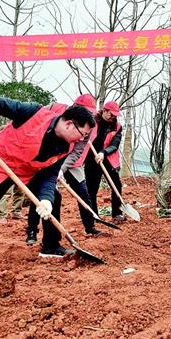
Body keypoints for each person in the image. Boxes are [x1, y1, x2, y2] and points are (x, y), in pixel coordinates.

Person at [0, 96, 95, 266]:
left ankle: (50, 246)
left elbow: (50, 174)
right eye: (82, 134)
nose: (81, 140)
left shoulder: (66, 146)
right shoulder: (33, 112)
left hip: (27, 171)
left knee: (54, 197)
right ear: (69, 124)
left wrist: (45, 199)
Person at [25, 94, 103, 245]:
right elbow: (37, 120)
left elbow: (78, 150)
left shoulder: (90, 125)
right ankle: (32, 230)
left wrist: (61, 168)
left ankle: (90, 226)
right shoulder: (55, 108)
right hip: (47, 159)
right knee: (43, 196)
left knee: (83, 194)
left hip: (71, 163)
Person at [84, 100, 125, 222]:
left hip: (108, 159)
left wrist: (103, 152)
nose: (113, 117)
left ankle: (117, 212)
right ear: (104, 111)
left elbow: (115, 144)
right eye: (110, 114)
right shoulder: (92, 122)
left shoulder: (117, 127)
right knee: (92, 188)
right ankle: (94, 214)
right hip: (91, 159)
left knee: (116, 185)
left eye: (115, 115)